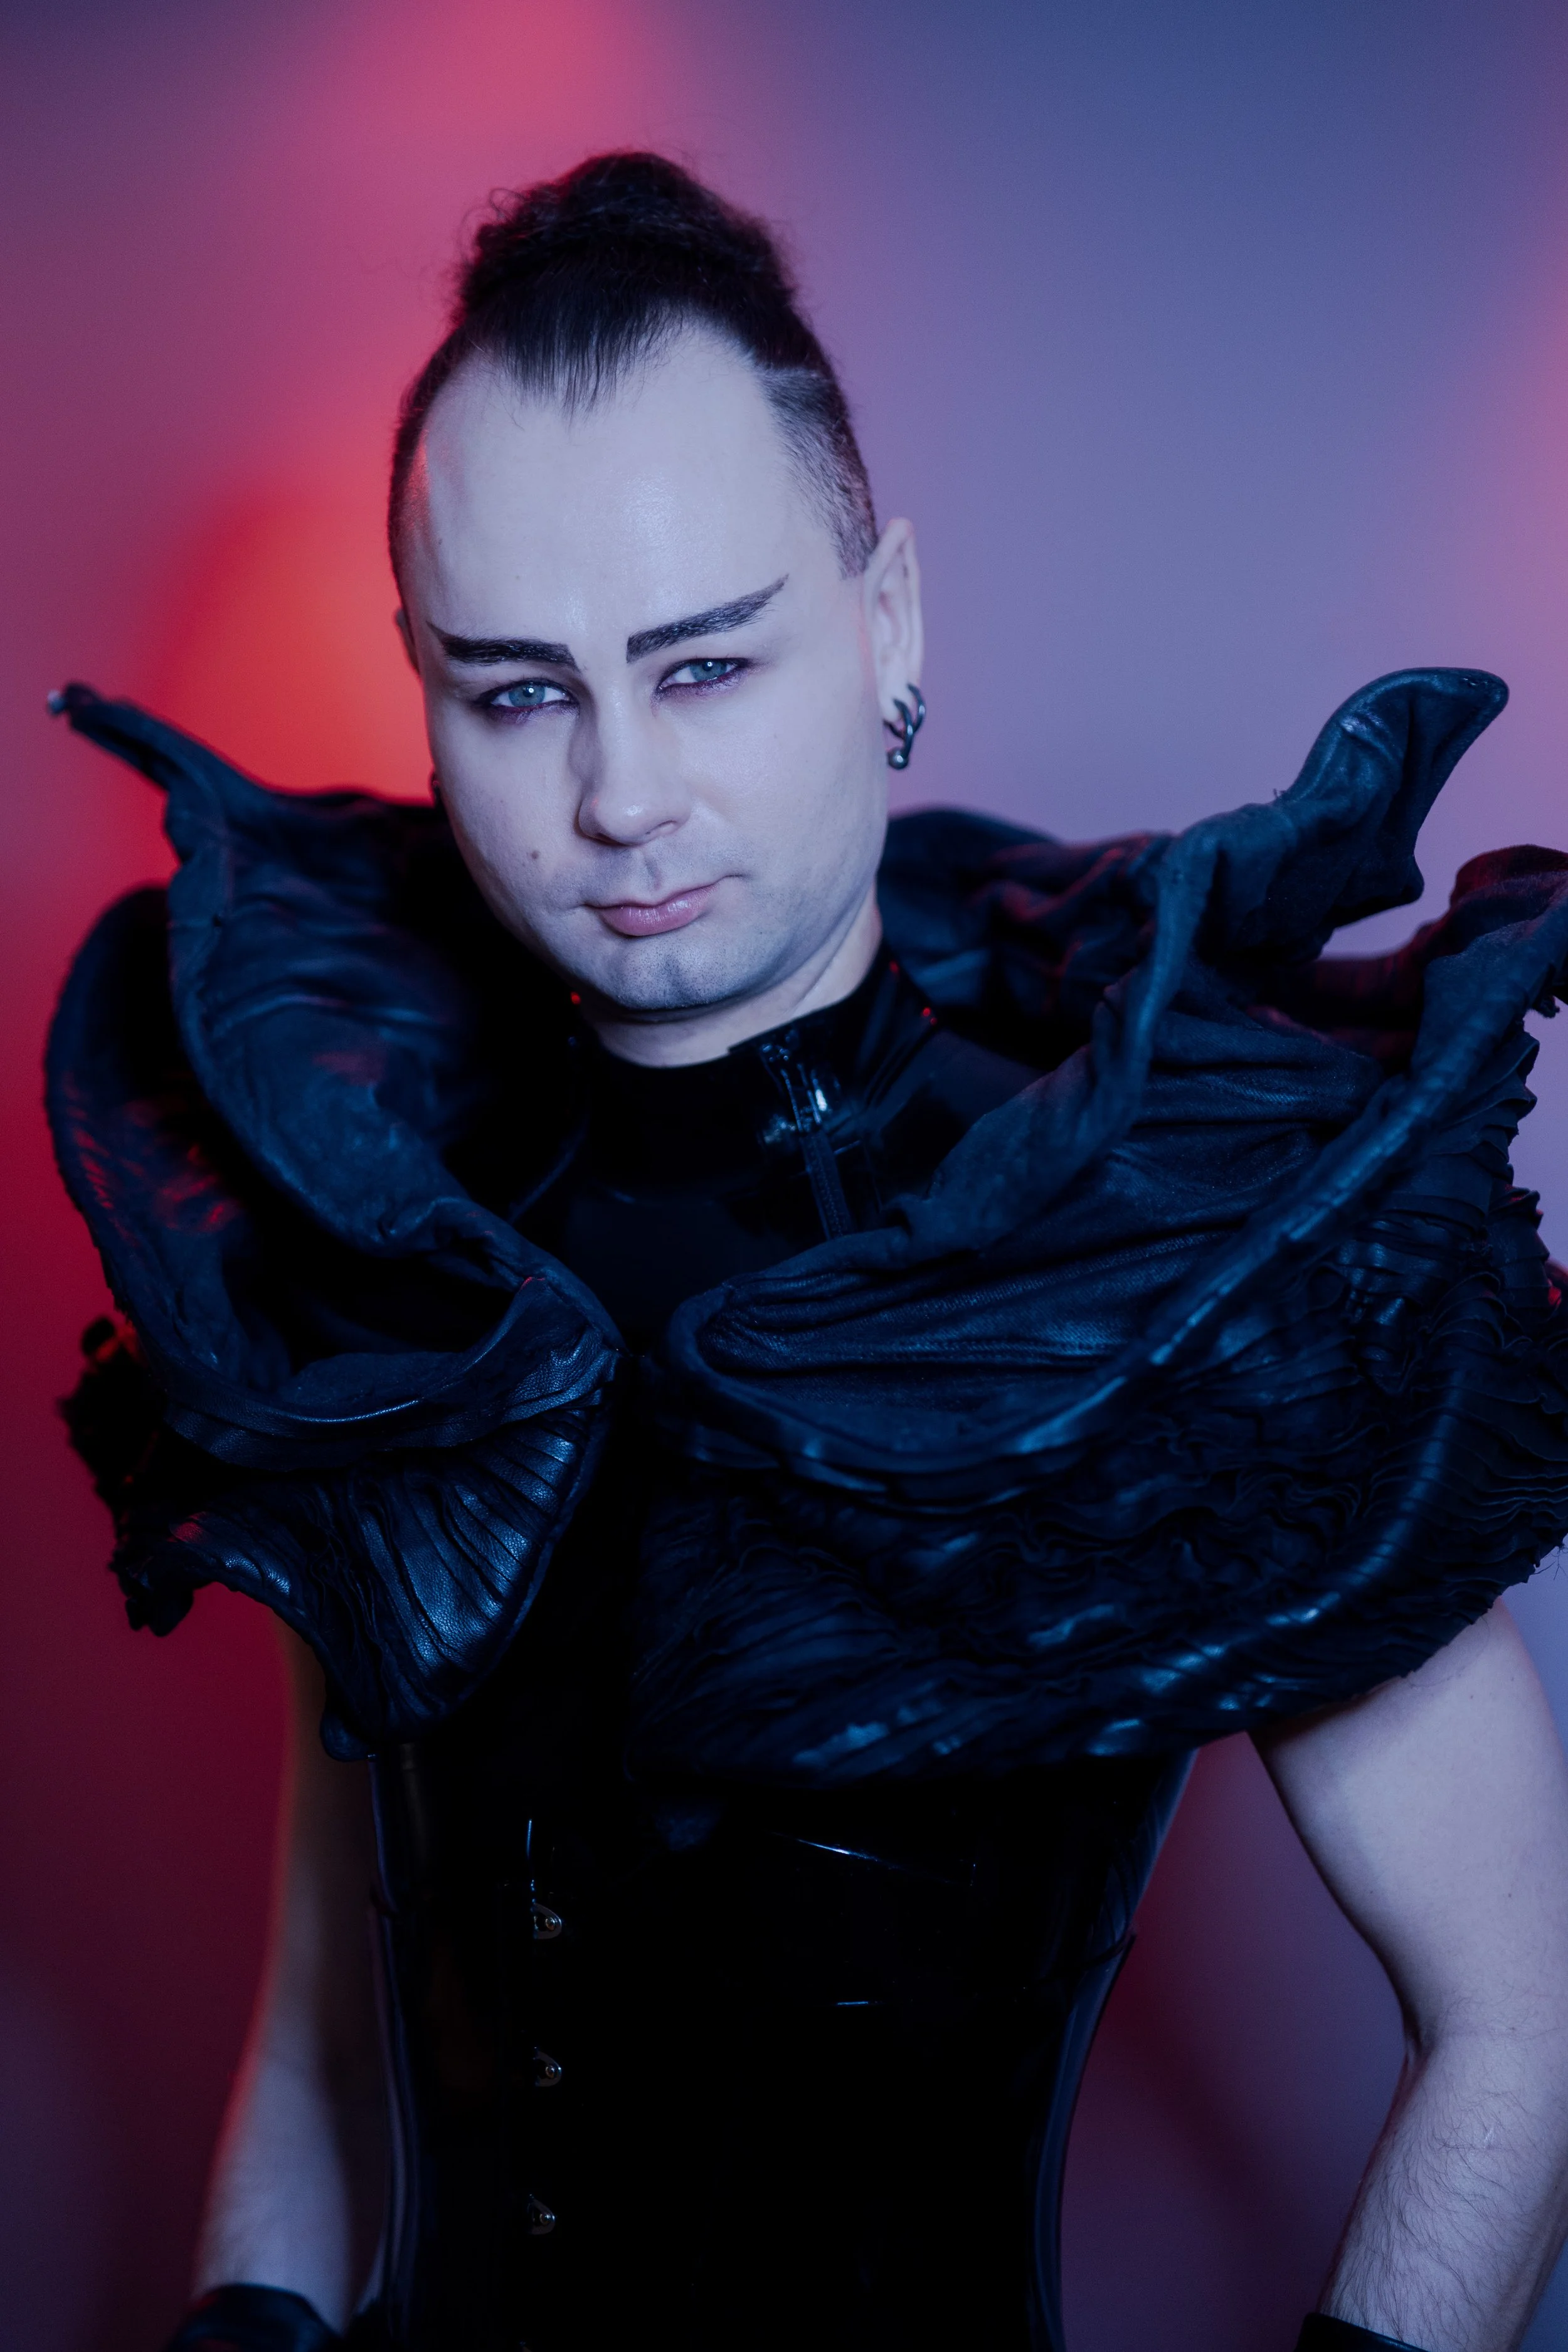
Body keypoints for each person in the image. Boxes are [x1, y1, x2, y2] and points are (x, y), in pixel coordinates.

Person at [45, 153, 1568, 2352]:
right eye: (519, 691)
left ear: (890, 624)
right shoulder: (385, 1244)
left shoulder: (1176, 1244)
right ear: (423, 688)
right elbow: (317, 2033)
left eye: (705, 662)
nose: (624, 796)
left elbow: (1519, 2015)